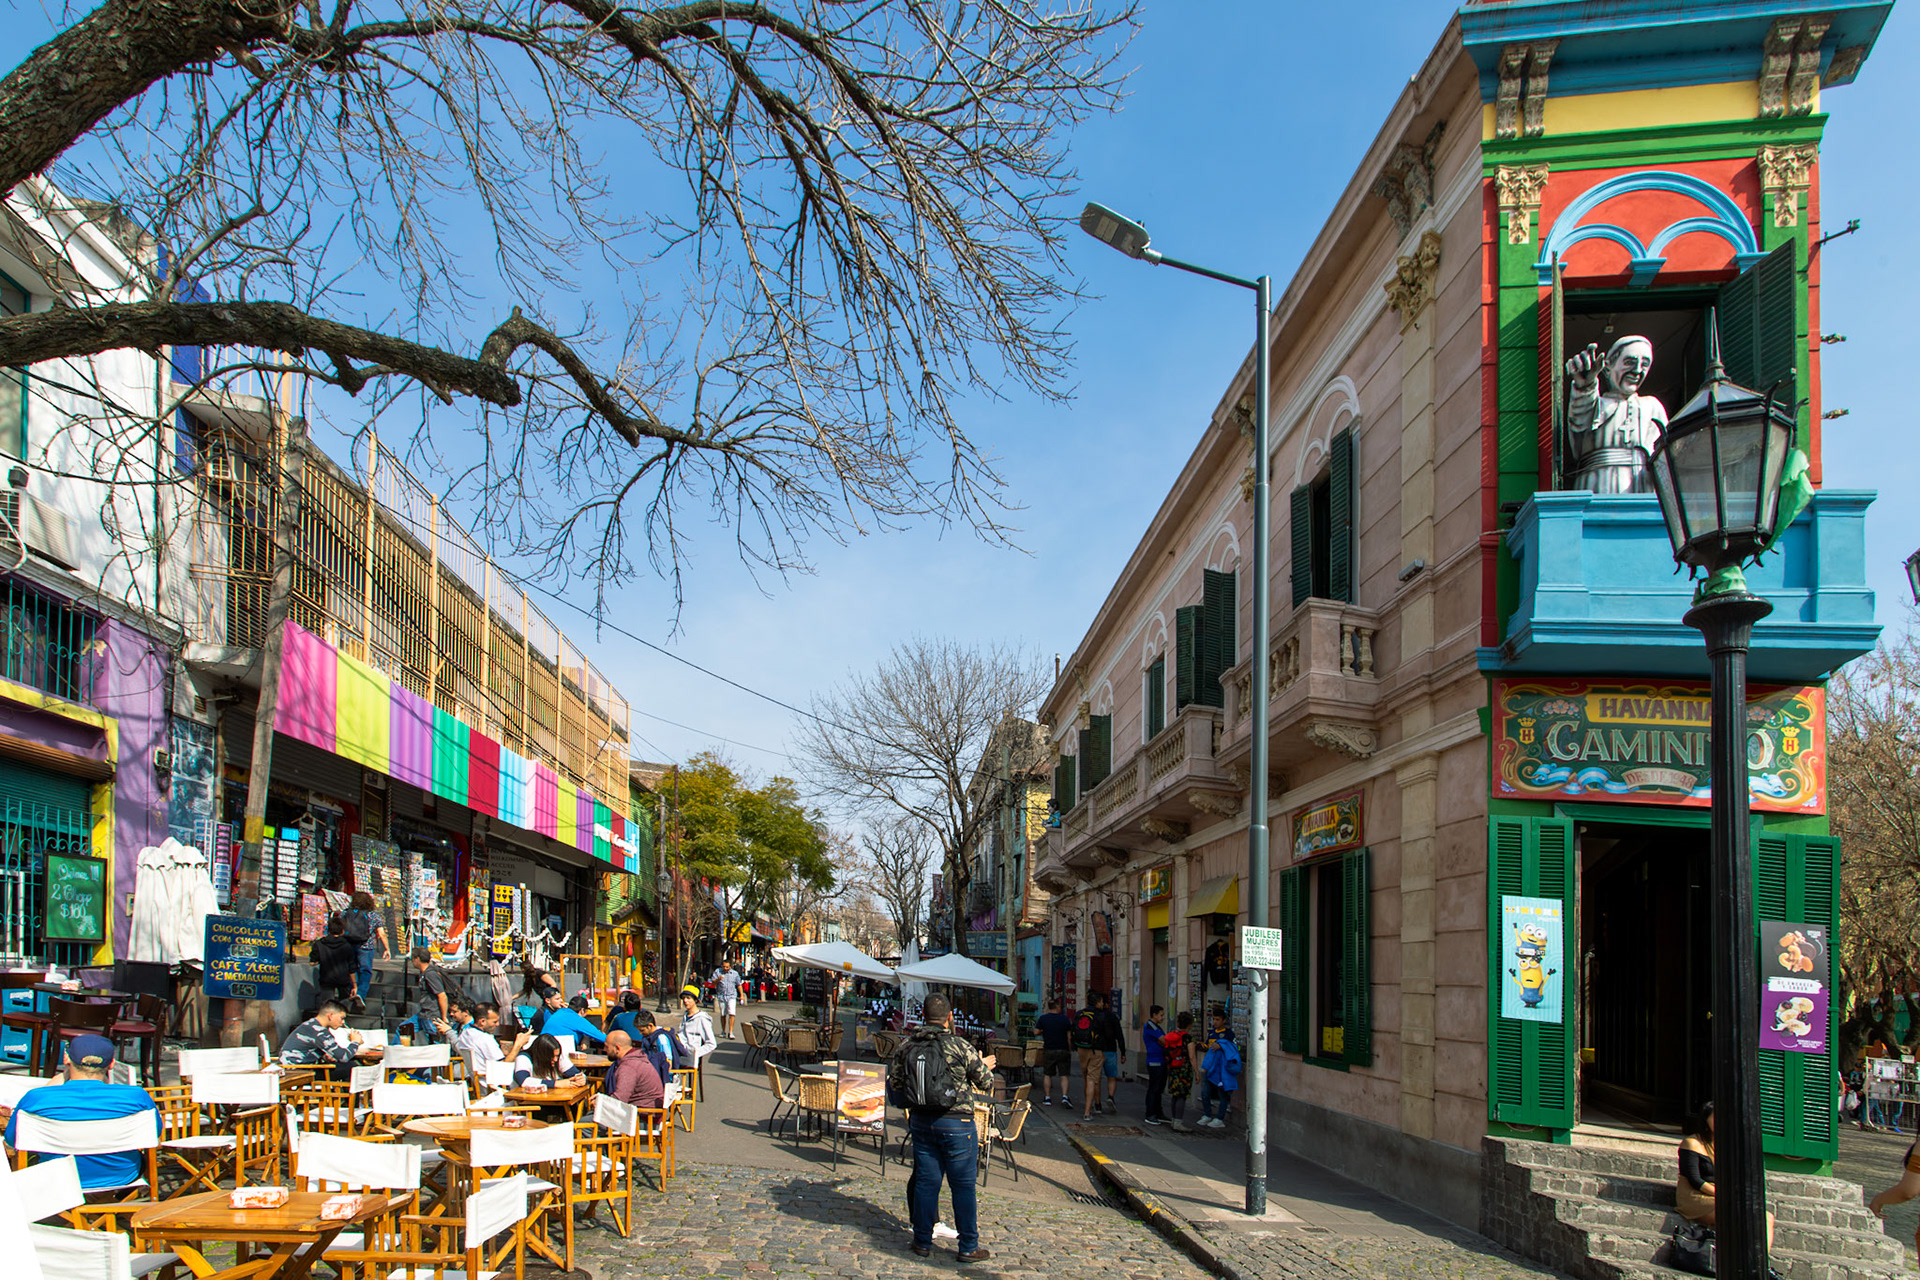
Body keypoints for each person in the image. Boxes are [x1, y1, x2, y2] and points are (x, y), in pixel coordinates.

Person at [888, 993, 995, 1264]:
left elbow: (895, 1087)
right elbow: (986, 1082)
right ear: (949, 1017)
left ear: (923, 1015)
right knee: (962, 1186)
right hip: (957, 1122)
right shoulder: (959, 1046)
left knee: (926, 1181)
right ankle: (968, 1245)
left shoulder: (907, 1046)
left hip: (922, 1121)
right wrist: (981, 1065)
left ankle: (922, 1241)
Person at [1, 1034, 159, 1192]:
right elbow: (155, 1136)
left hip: (56, 1180)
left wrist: (61, 1077)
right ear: (111, 1064)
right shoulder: (137, 1097)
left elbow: (12, 1140)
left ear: (66, 1059)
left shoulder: (36, 1098)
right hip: (122, 1179)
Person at [1564, 334, 1667, 494]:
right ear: (1608, 365)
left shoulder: (1652, 406)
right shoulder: (1595, 403)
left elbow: (1665, 457)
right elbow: (1579, 419)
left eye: (1645, 364)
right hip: (1596, 485)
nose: (1638, 370)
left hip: (1643, 488)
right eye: (1629, 362)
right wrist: (1585, 386)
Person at [1677, 1103, 1776, 1245]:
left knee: (1767, 1217)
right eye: (1715, 1118)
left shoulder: (1728, 1145)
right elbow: (1695, 1180)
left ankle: (1762, 1264)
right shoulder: (1692, 1143)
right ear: (1706, 1119)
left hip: (1723, 1195)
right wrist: (1722, 1195)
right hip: (1697, 1196)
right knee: (1738, 1214)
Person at [280, 997, 362, 1079]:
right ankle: (350, 1091)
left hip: (290, 1069)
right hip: (298, 1072)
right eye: (341, 1018)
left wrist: (325, 1056)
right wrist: (355, 1042)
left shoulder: (311, 1025)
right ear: (331, 1016)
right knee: (352, 1066)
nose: (343, 1022)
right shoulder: (320, 1032)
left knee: (342, 1066)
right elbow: (344, 1057)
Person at [345, 890, 390, 1011]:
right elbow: (381, 933)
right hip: (366, 946)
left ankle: (351, 992)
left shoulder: (346, 913)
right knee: (365, 970)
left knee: (351, 969)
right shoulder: (373, 916)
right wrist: (387, 949)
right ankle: (361, 993)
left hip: (348, 945)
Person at [1196, 1009, 1240, 1129]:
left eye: (1217, 1019)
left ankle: (1220, 1118)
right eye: (1213, 1019)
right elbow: (1207, 1046)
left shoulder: (1228, 1034)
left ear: (1223, 1020)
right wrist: (1201, 1045)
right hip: (1211, 1068)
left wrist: (1221, 1046)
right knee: (1205, 1092)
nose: (1215, 1022)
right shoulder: (1211, 1033)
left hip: (1222, 1069)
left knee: (1222, 1094)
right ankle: (1207, 1114)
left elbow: (1233, 1049)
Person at [601, 1030, 666, 1110]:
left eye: (607, 1046)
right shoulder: (636, 1058)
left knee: (585, 1120)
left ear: (617, 1048)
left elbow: (619, 1100)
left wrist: (600, 1101)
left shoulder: (629, 1066)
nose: (604, 1050)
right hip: (647, 1110)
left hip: (643, 1116)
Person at [530, 987, 607, 1047]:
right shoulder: (577, 1019)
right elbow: (602, 1038)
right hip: (556, 1051)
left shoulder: (559, 1012)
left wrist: (585, 1036)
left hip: (541, 1047)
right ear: (582, 1010)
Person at [1032, 997, 1073, 1108]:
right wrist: (1069, 1049)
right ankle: (1065, 1096)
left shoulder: (1043, 1019)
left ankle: (1047, 1097)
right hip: (1063, 1049)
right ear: (1057, 1007)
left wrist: (1044, 1032)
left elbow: (1035, 1032)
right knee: (1064, 1075)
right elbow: (1069, 1037)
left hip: (1049, 1049)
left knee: (1047, 1074)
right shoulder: (1065, 1020)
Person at [313, 917, 359, 1006]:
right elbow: (351, 968)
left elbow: (312, 962)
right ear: (342, 930)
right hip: (343, 978)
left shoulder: (319, 944)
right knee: (344, 1004)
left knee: (327, 1004)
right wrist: (354, 984)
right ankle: (341, 1018)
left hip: (326, 978)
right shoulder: (347, 946)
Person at [411, 946, 455, 1042]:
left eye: (412, 959)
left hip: (432, 1015)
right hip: (423, 1014)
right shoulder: (425, 973)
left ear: (417, 959)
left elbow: (442, 996)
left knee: (436, 1041)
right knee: (404, 1029)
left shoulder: (430, 974)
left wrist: (443, 1016)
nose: (411, 961)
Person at [679, 985, 717, 1095]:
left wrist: (696, 1053)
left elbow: (711, 1043)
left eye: (689, 998)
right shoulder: (685, 1015)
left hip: (690, 1054)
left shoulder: (702, 1018)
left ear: (696, 1000)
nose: (685, 1001)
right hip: (680, 1050)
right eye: (684, 998)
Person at [1163, 1011, 1196, 1131]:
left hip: (1173, 1068)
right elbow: (1192, 1057)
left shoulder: (1172, 1035)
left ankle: (1173, 1120)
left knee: (1175, 1095)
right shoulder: (1188, 1038)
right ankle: (1178, 1122)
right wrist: (1197, 1072)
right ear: (1189, 1025)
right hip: (1184, 1069)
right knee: (1182, 1095)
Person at [512, 1033, 582, 1089]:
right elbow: (524, 1081)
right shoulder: (524, 1058)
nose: (555, 1059)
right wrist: (556, 1084)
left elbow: (575, 1073)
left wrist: (581, 1079)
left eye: (557, 1056)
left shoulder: (557, 1056)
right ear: (541, 1055)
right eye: (551, 1057)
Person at [1141, 1005, 1168, 1126]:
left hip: (1160, 1060)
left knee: (1159, 1088)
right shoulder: (1151, 1026)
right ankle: (1150, 1113)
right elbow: (1164, 1040)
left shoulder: (1157, 1027)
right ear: (1154, 1015)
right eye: (1161, 1015)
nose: (1163, 1017)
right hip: (1154, 1061)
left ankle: (1158, 1112)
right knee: (1154, 1088)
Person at [711, 960, 744, 1039]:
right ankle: (723, 1031)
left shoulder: (734, 973)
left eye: (727, 967)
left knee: (732, 1013)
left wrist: (742, 995)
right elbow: (713, 983)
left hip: (732, 995)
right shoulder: (718, 972)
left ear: (730, 967)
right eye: (724, 967)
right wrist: (718, 979)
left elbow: (739, 985)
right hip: (722, 996)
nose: (725, 968)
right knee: (723, 1014)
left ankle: (731, 1032)